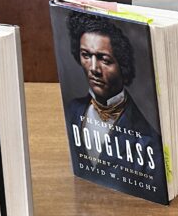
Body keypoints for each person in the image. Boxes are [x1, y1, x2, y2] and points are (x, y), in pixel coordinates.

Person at [64, 11, 160, 170]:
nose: (93, 69)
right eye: (86, 55)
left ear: (122, 66)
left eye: (104, 59)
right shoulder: (71, 111)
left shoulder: (149, 141)